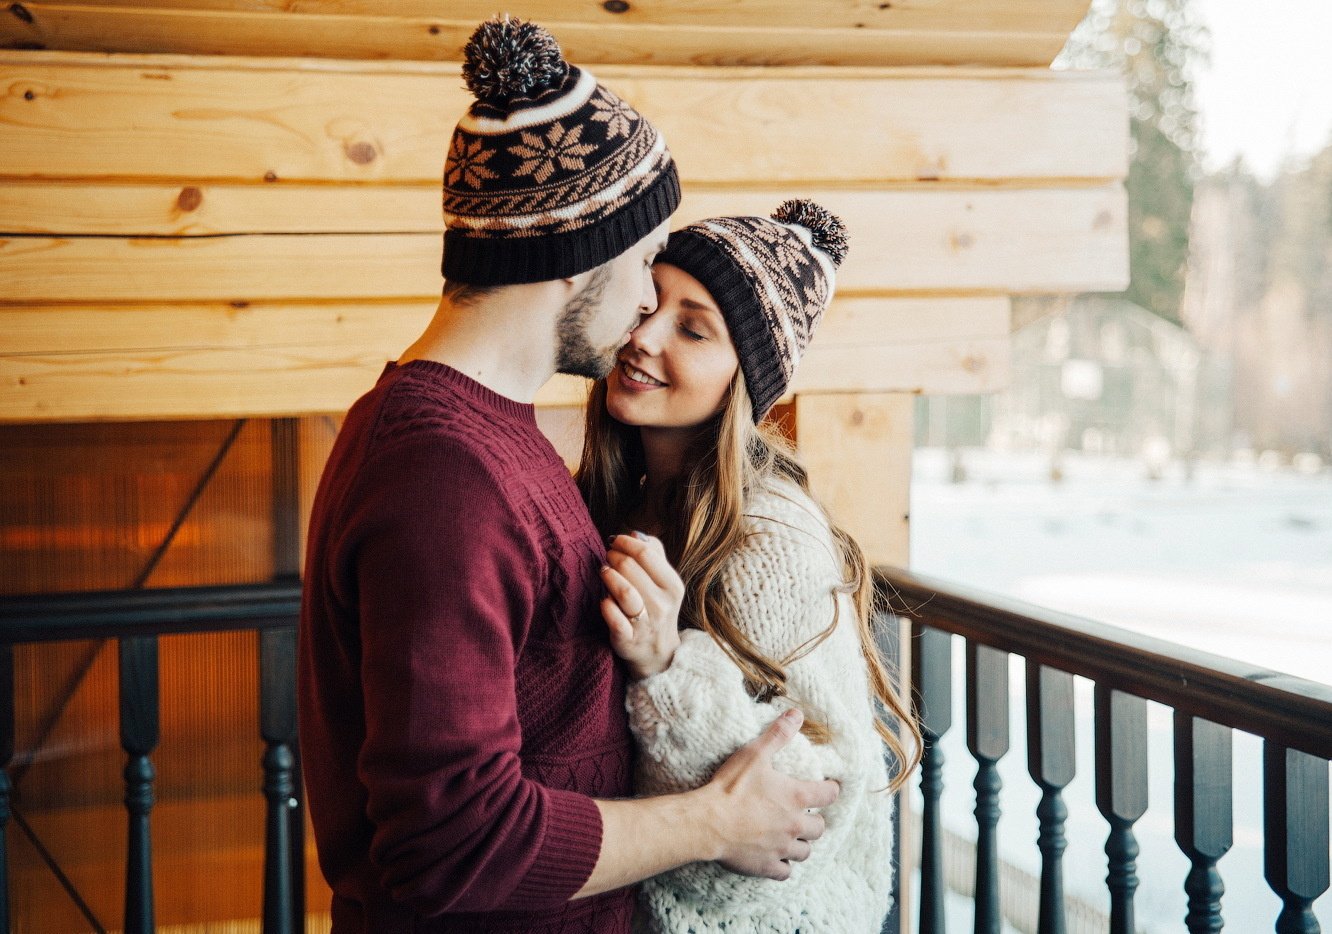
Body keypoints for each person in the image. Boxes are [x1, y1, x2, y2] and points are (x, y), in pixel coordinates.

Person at [297, 18, 838, 934]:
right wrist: (711, 821)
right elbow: (451, 848)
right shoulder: (441, 476)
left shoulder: (481, 441)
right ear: (575, 259)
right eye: (641, 261)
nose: (639, 307)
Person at [577, 200, 920, 933]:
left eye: (692, 328)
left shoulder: (770, 536)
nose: (641, 337)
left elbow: (809, 791)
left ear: (745, 378)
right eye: (647, 303)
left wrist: (666, 666)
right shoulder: (628, 500)